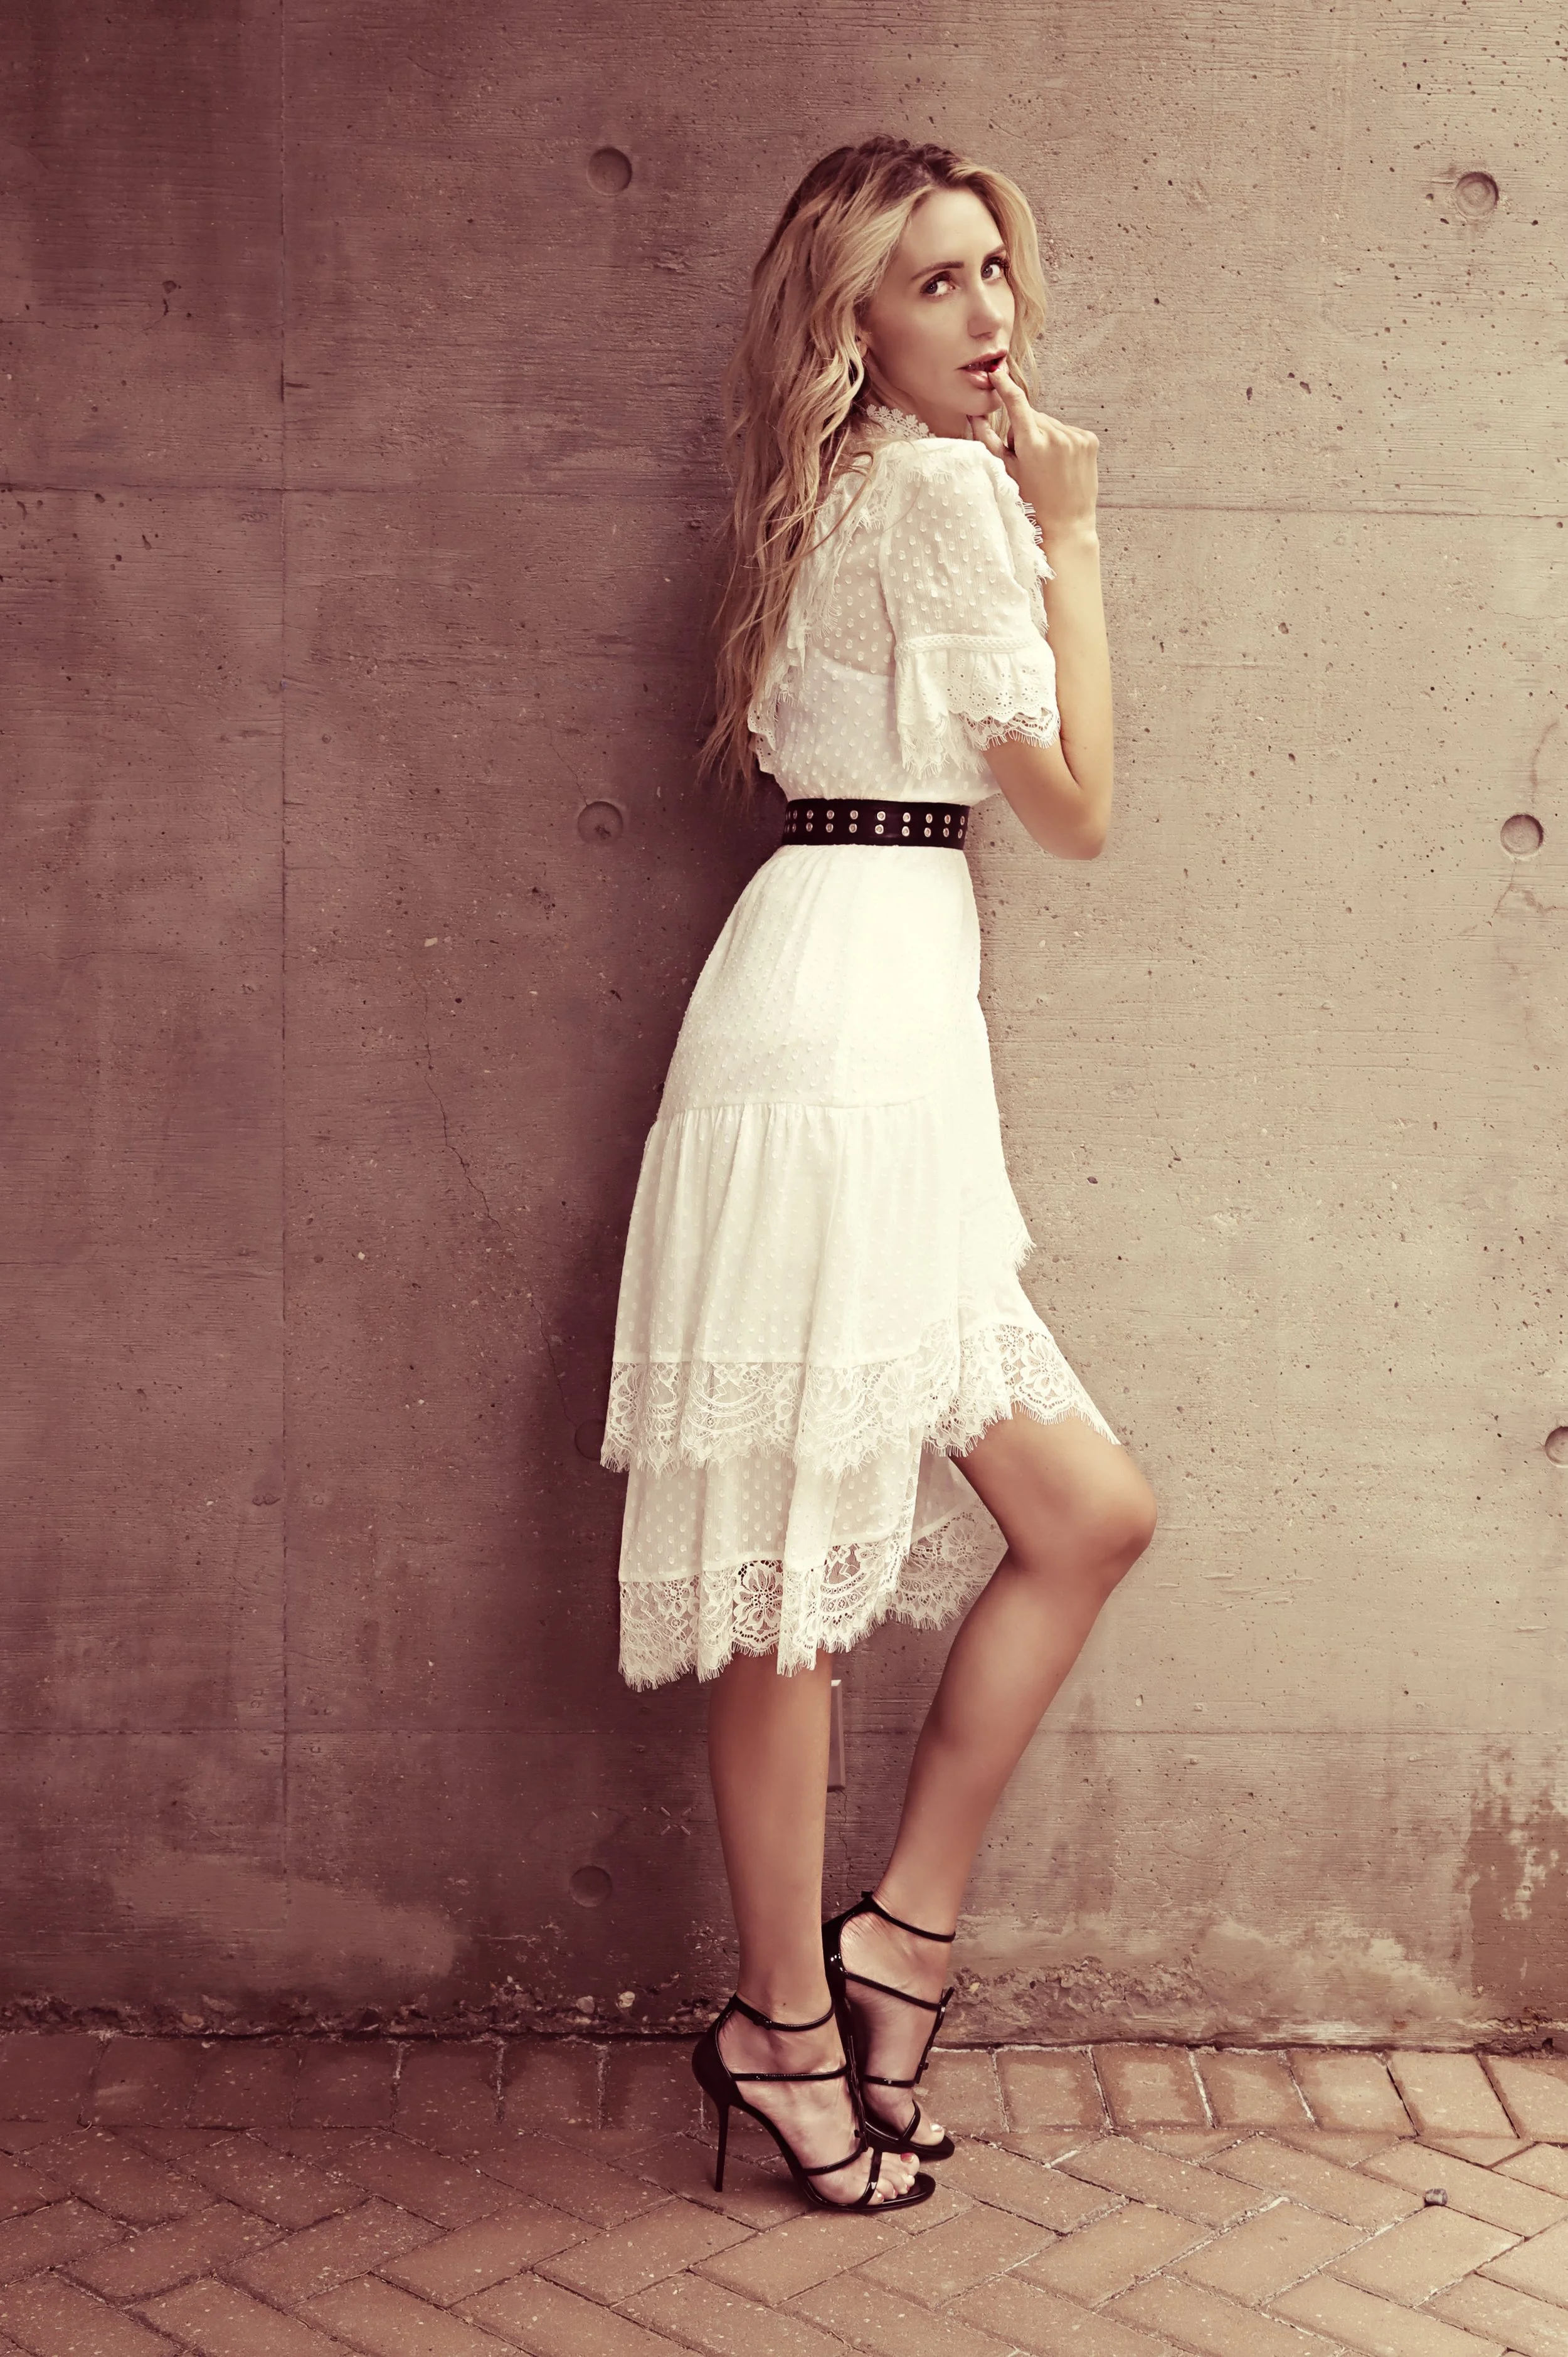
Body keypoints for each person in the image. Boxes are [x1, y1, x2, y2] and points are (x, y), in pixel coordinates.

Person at [601, 135, 1158, 2211]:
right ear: (849, 321)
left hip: (848, 1009)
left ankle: (885, 1947)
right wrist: (1073, 536)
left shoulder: (838, 490)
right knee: (793, 1586)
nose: (989, 309)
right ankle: (782, 2022)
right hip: (845, 1041)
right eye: (933, 282)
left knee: (1076, 1513)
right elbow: (1081, 811)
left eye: (995, 263)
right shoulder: (940, 501)